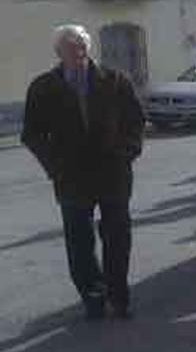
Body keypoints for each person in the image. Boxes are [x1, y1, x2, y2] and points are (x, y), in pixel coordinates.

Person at [21, 24, 144, 320]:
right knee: (79, 241)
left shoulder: (115, 81)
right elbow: (31, 134)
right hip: (71, 176)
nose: (78, 51)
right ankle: (93, 295)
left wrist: (127, 152)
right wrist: (54, 166)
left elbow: (136, 121)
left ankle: (119, 295)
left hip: (112, 172)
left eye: (82, 45)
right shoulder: (44, 87)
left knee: (117, 235)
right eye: (70, 46)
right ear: (58, 52)